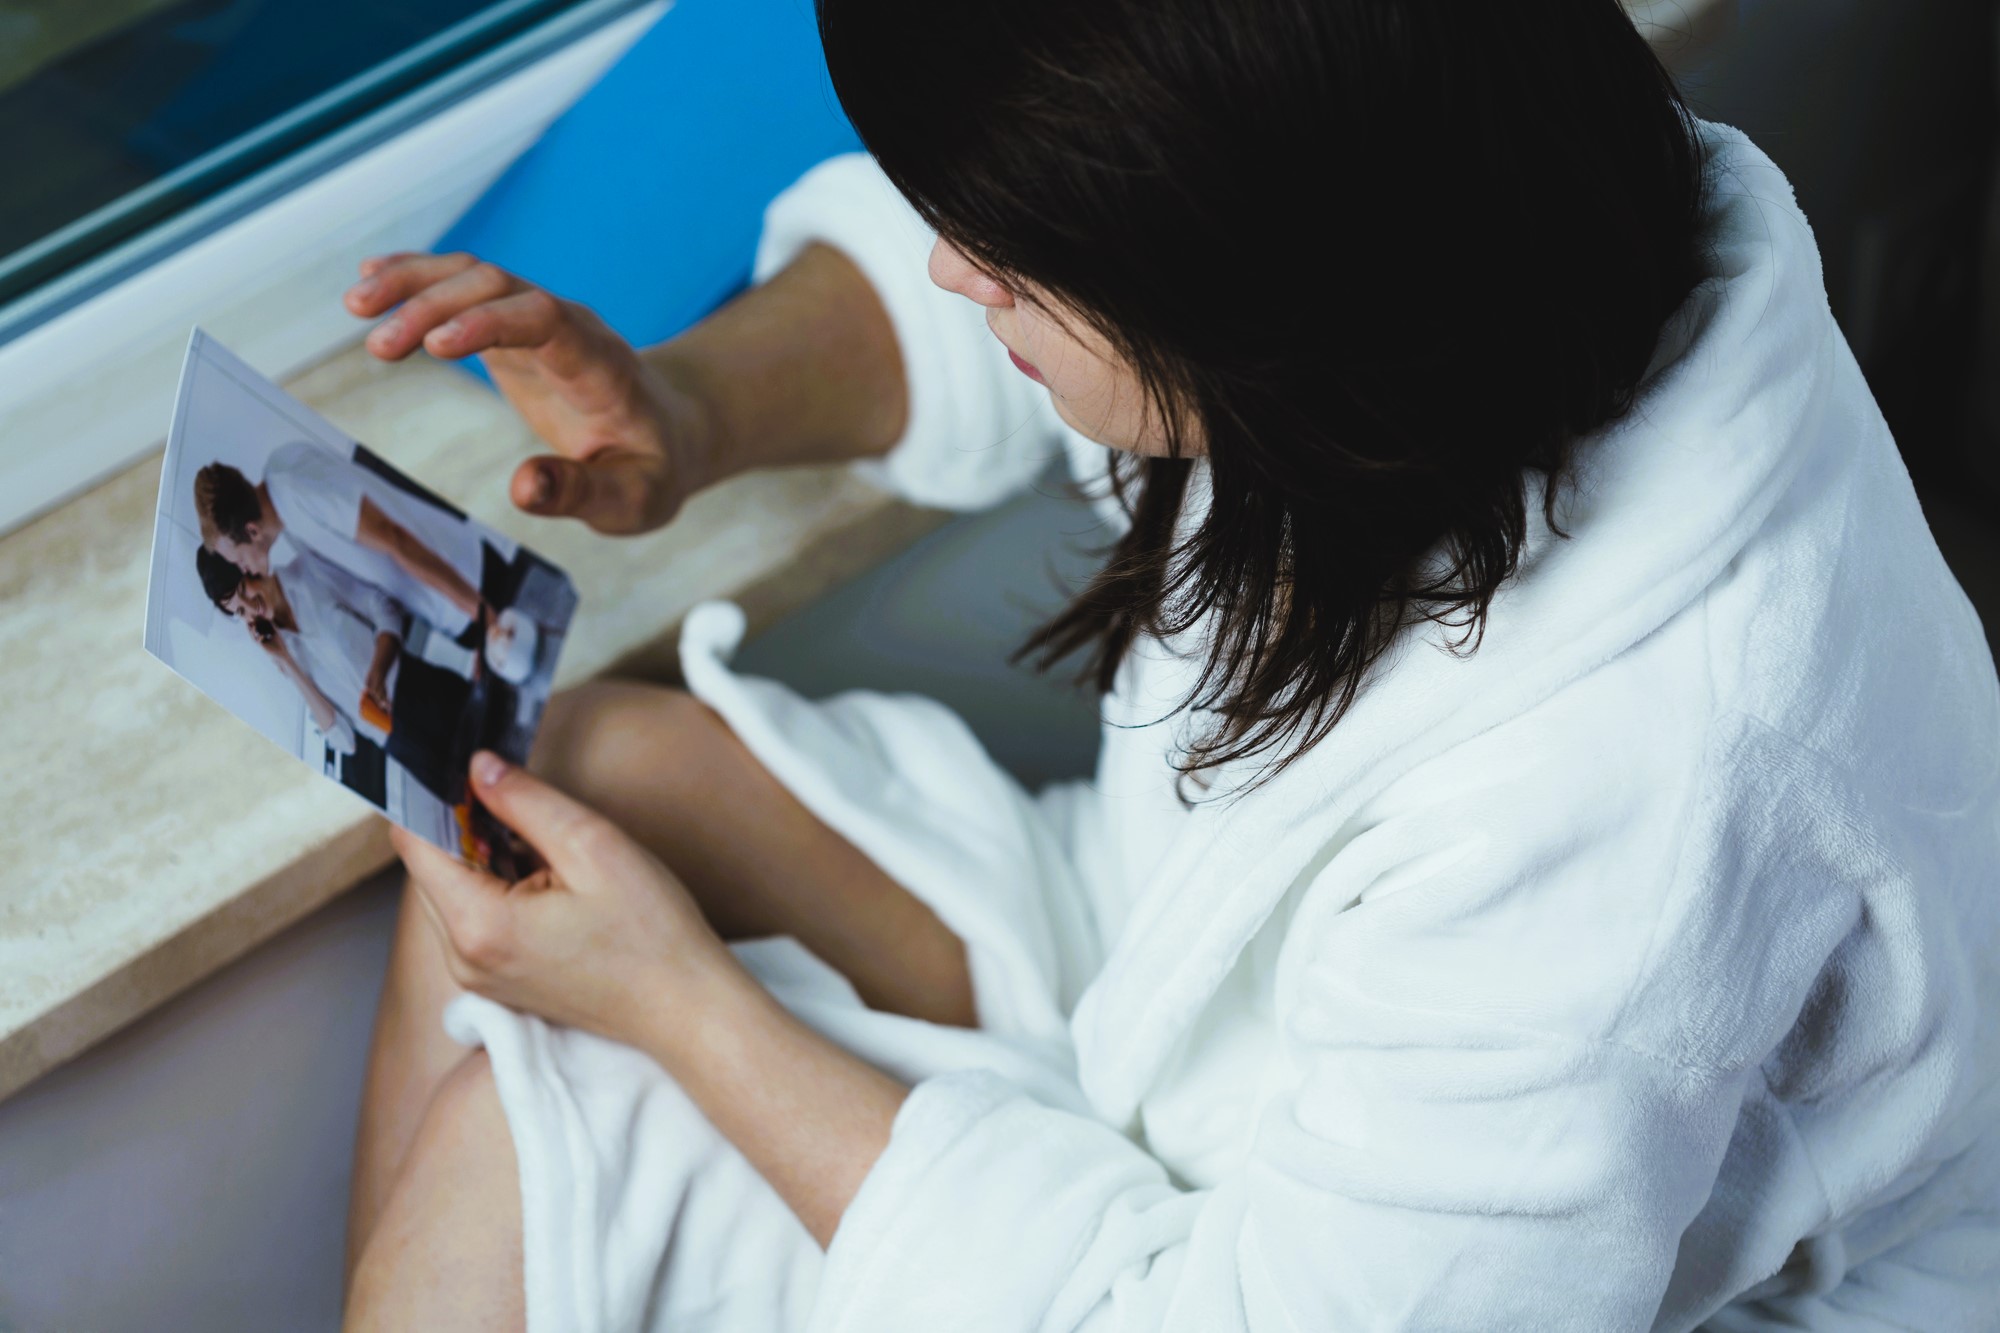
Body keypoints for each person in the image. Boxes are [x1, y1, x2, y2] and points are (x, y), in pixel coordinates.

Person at [340, 1, 2000, 1329]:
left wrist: (681, 1008)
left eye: (1006, 249)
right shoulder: (1464, 233)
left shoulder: (1638, 795)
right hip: (1189, 998)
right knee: (546, 773)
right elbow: (1034, 334)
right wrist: (687, 412)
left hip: (1320, 1268)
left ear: (1241, 282)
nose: (948, 266)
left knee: (546, 1120)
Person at [195, 541, 472, 804]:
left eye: (244, 591)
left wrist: (380, 666)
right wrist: (287, 661)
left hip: (420, 689)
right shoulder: (281, 653)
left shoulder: (308, 572)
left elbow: (381, 605)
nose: (251, 610)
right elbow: (344, 741)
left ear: (247, 568)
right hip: (401, 745)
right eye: (240, 611)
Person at [194, 451, 492, 641]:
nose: (240, 569)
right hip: (457, 612)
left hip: (474, 585)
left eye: (235, 558)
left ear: (252, 531)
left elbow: (394, 539)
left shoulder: (295, 488)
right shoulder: (288, 516)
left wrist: (482, 614)